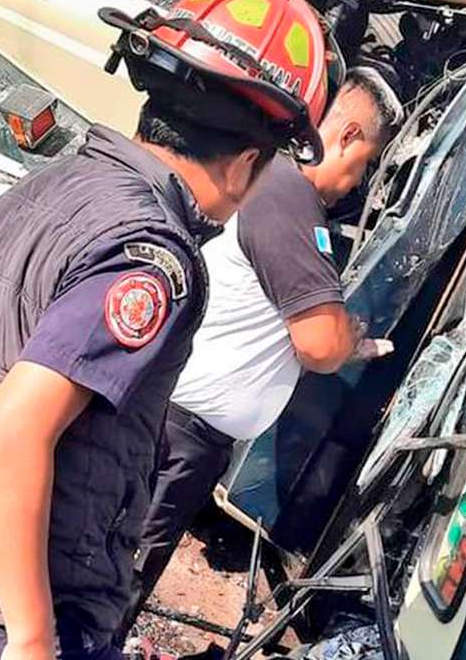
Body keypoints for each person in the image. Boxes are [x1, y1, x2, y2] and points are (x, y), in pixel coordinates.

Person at [0, 0, 339, 660]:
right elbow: (10, 432)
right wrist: (31, 637)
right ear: (247, 163)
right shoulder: (151, 256)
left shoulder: (44, 188)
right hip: (4, 615)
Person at [118, 65, 404, 642]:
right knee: (117, 582)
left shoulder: (267, 183)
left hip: (174, 427)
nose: (358, 183)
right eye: (365, 162)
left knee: (116, 570)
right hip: (177, 436)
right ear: (346, 135)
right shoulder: (289, 198)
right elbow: (319, 344)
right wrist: (350, 340)